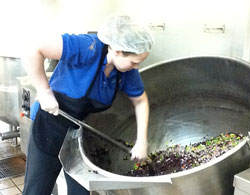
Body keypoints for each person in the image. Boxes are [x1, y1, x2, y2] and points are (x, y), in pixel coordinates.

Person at [22, 14, 153, 195]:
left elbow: (141, 102)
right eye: (134, 62)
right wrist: (44, 92)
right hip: (50, 128)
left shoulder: (127, 73)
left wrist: (141, 141)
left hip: (81, 142)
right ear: (117, 50)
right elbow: (33, 49)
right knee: (37, 190)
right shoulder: (86, 47)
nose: (136, 67)